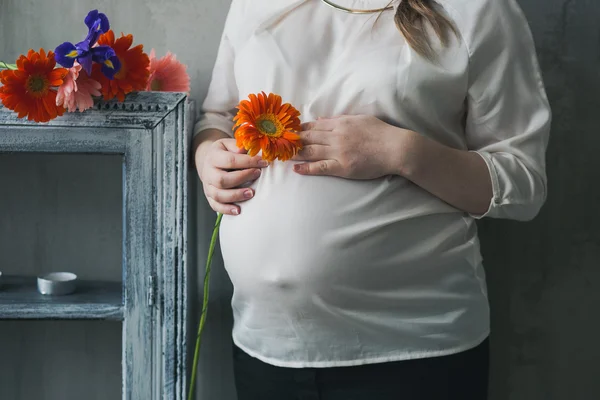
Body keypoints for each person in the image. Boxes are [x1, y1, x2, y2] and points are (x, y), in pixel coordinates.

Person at [193, 0, 551, 398]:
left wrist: (401, 153)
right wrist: (208, 156)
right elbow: (217, 116)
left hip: (414, 353)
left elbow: (523, 183)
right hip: (266, 346)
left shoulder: (477, 10)